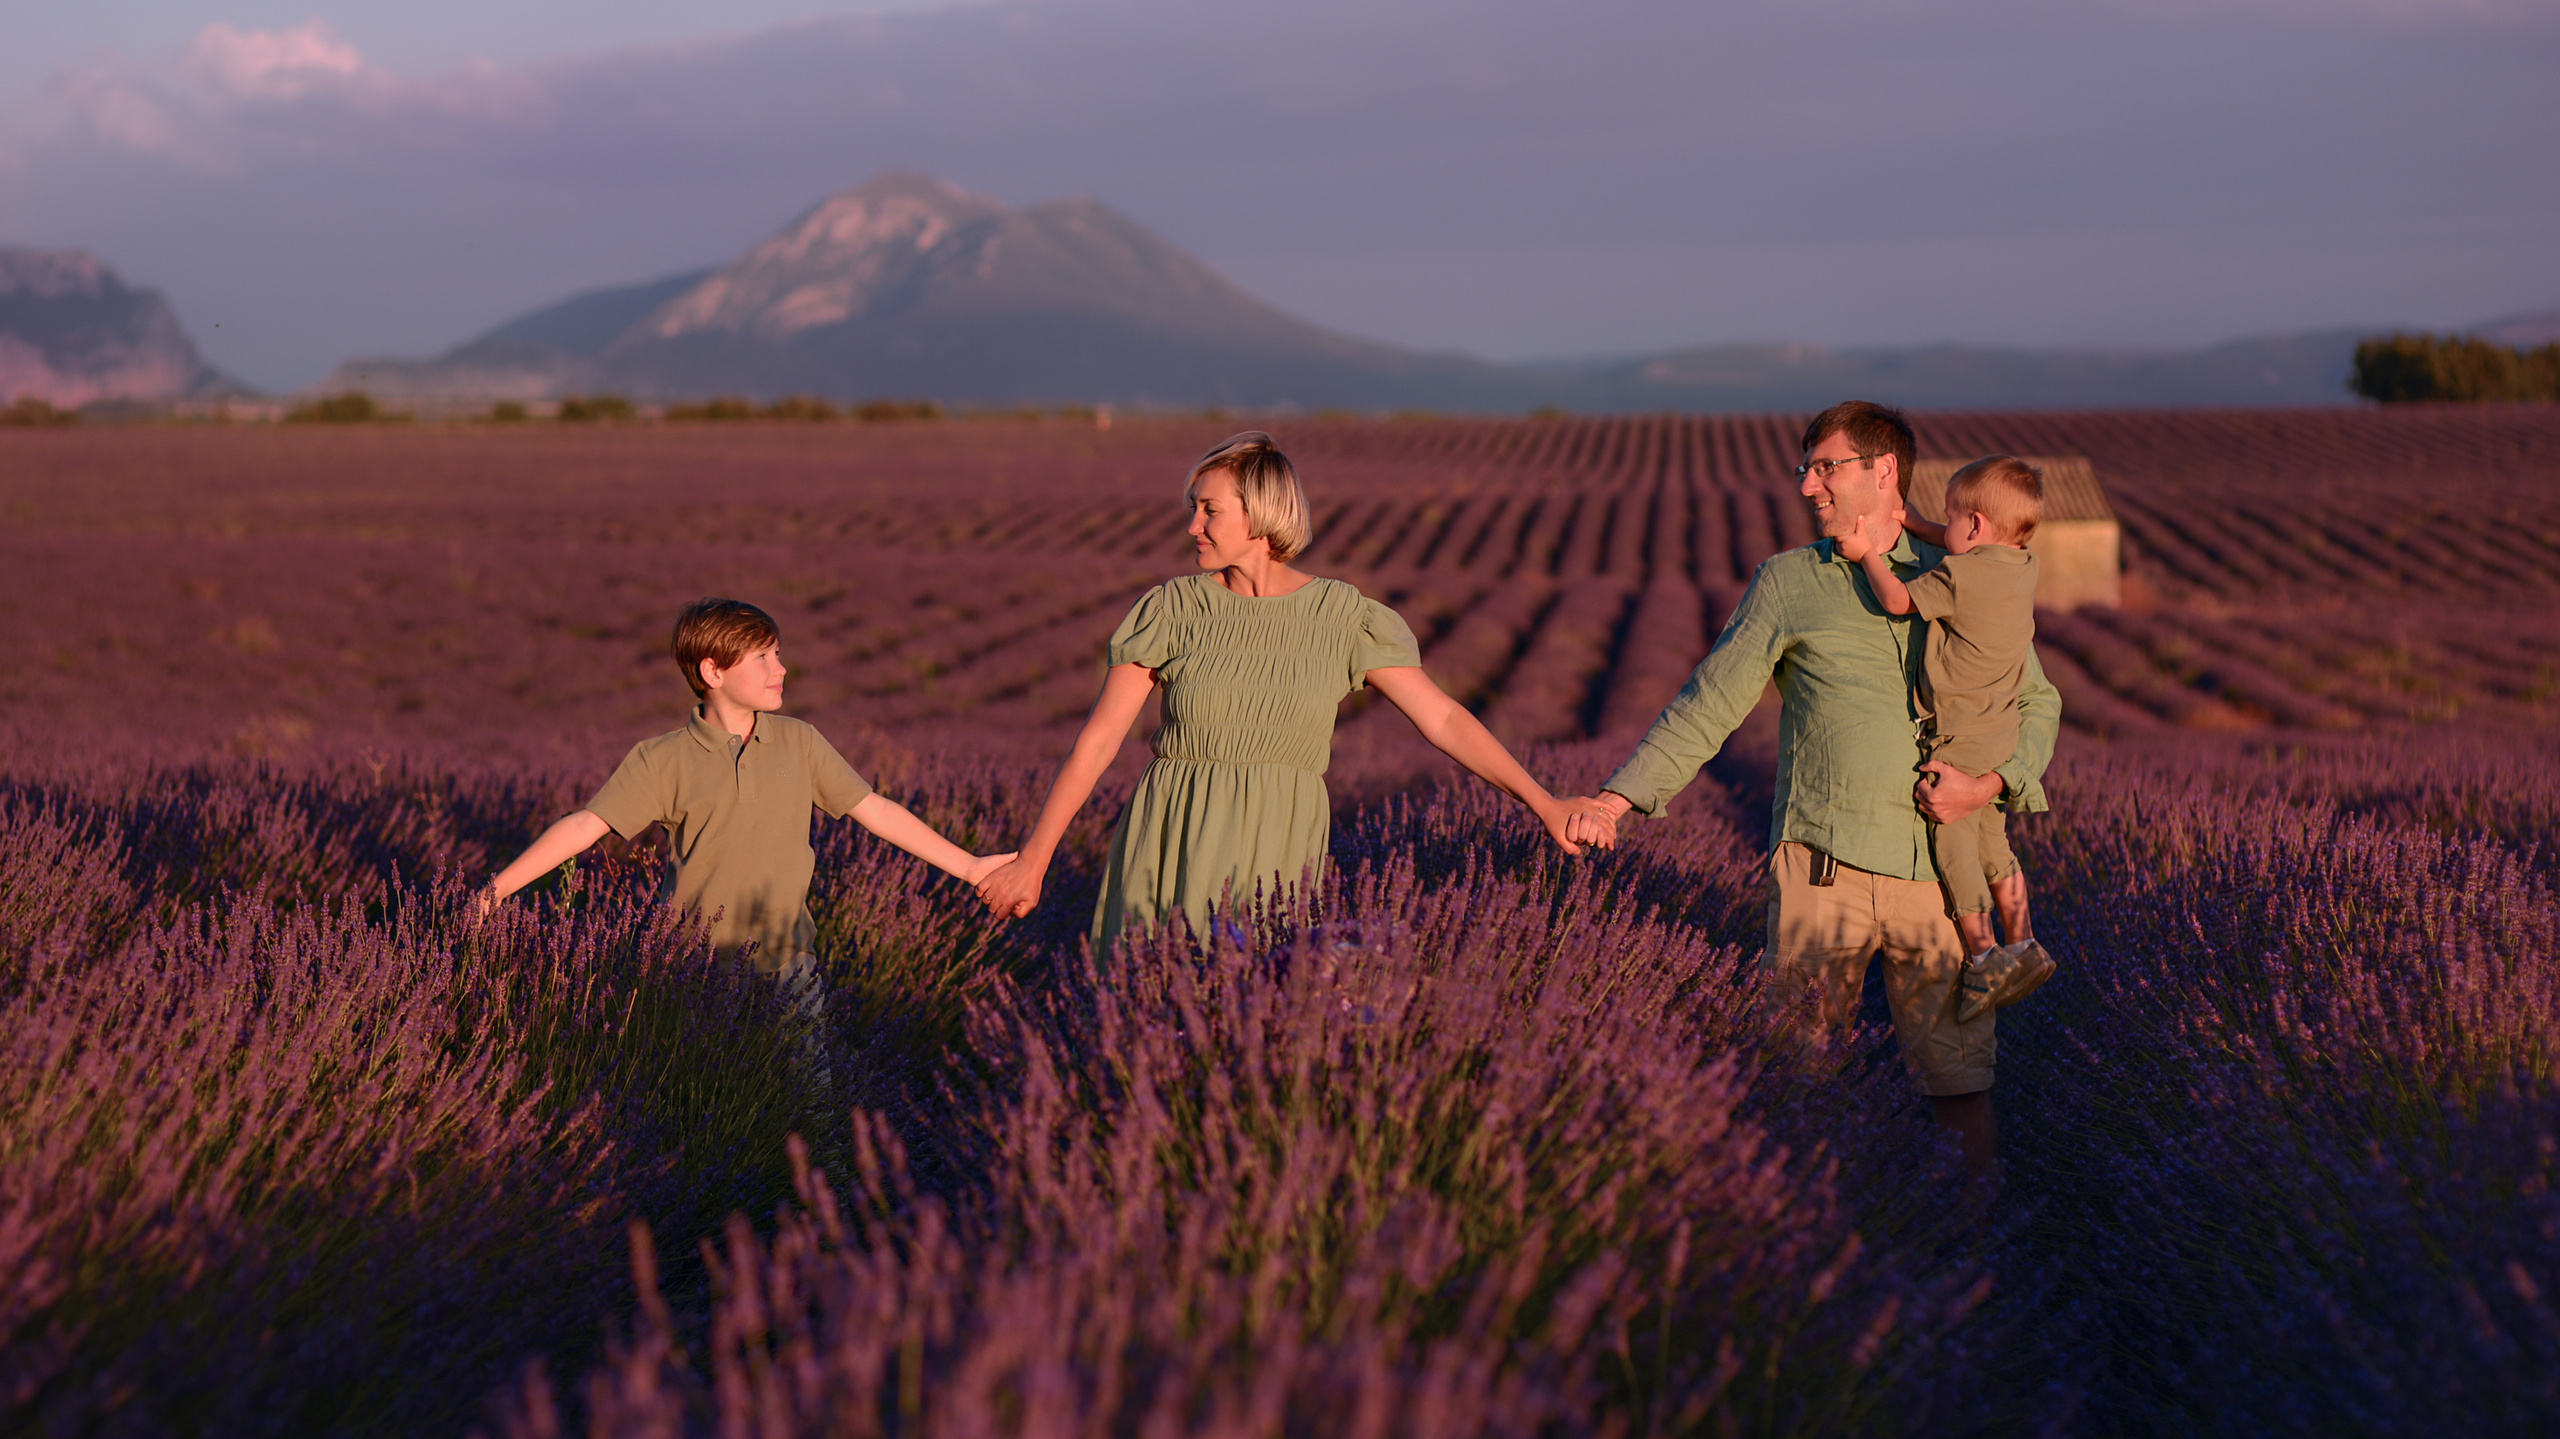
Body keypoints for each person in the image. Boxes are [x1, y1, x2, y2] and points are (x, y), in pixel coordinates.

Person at [1563, 402, 2060, 1176]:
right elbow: (1709, 703)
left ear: (1883, 471)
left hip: (1939, 880)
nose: (1807, 486)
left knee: (1960, 1086)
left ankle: (1968, 1242)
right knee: (1797, 1081)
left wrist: (1991, 784)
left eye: (1825, 466)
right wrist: (1616, 799)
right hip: (1823, 874)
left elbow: (2037, 700)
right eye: (1805, 469)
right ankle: (1806, 1235)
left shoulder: (1962, 574)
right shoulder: (1791, 581)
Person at [974, 431, 1583, 950]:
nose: (1192, 526)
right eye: (1193, 509)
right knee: (1149, 1002)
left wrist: (1544, 802)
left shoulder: (1342, 617)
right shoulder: (1172, 609)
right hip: (1171, 836)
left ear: (1260, 513)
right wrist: (1034, 860)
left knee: (1258, 1003)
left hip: (1278, 847)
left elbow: (1444, 720)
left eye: (1209, 510)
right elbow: (1098, 741)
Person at [479, 598, 1014, 987]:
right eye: (762, 658)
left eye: (777, 653)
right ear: (712, 671)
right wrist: (493, 893)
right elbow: (583, 826)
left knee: (808, 1102)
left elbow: (875, 811)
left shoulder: (800, 741)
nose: (781, 668)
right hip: (692, 971)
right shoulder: (660, 759)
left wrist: (971, 868)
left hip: (790, 965)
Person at [1838, 455, 2055, 1021]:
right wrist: (1917, 524)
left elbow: (1897, 600)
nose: (1946, 526)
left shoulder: (1960, 577)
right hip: (1999, 732)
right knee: (1994, 845)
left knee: (1954, 846)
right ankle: (2025, 944)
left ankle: (1984, 957)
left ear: (1976, 526)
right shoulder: (2022, 564)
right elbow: (1965, 541)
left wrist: (1867, 555)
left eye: (1953, 516)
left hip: (1959, 736)